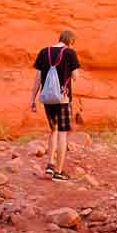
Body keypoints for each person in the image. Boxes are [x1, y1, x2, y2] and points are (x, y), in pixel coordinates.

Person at [29, 29, 80, 180]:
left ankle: (50, 165)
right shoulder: (70, 53)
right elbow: (76, 77)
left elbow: (37, 78)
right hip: (63, 99)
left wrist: (32, 99)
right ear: (70, 41)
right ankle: (58, 172)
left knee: (53, 131)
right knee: (63, 133)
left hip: (47, 98)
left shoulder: (44, 52)